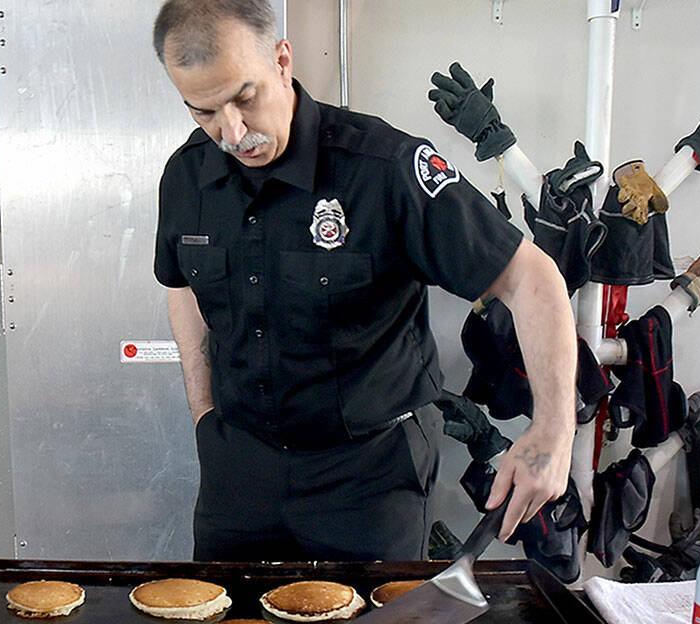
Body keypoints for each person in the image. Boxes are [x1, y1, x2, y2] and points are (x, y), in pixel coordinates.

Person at [151, 0, 577, 561]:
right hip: (240, 466)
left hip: (369, 474)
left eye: (244, 98)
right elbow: (181, 286)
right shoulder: (187, 176)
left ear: (282, 61)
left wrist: (553, 431)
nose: (231, 132)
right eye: (203, 111)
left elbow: (531, 275)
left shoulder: (385, 167)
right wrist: (204, 413)